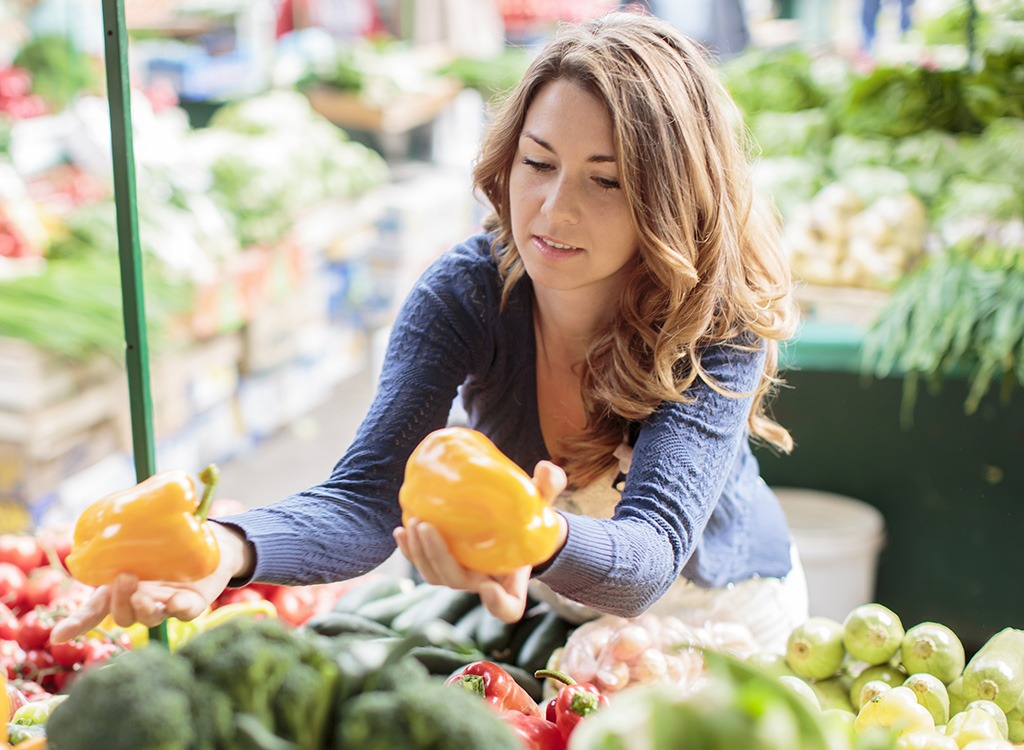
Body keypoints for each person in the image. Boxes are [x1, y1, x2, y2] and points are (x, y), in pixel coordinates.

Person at [51, 10, 808, 654]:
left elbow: (649, 559)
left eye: (605, 180)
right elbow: (366, 503)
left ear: (671, 198)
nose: (552, 210)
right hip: (564, 612)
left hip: (721, 615)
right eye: (538, 163)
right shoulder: (469, 292)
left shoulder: (715, 321)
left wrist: (525, 535)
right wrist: (223, 548)